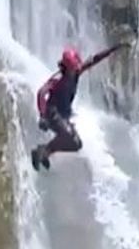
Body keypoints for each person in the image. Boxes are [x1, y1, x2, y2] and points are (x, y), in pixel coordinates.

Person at [31, 42, 129, 171]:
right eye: (73, 68)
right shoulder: (58, 79)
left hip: (64, 114)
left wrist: (113, 49)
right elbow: (41, 93)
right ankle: (41, 152)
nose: (76, 70)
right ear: (65, 68)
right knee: (67, 134)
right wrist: (43, 115)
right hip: (52, 112)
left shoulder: (76, 72)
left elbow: (93, 60)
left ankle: (44, 151)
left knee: (76, 144)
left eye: (76, 67)